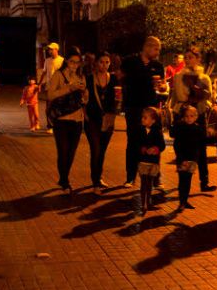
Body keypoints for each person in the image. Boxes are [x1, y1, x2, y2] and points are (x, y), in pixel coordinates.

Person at [119, 36, 167, 187]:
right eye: (156, 48)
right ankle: (131, 176)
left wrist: (163, 88)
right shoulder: (130, 62)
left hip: (151, 108)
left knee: (155, 141)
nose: (158, 52)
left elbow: (162, 86)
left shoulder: (158, 66)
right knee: (133, 141)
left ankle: (155, 177)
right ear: (147, 47)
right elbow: (119, 79)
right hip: (133, 107)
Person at [169, 46, 217, 192]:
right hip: (183, 114)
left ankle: (205, 182)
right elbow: (176, 96)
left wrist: (200, 93)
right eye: (187, 57)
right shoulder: (178, 76)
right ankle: (182, 182)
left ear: (198, 59)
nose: (189, 59)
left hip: (199, 114)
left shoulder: (204, 78)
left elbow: (209, 95)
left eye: (192, 57)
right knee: (182, 149)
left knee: (201, 149)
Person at [48, 46, 88, 194]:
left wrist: (85, 92)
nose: (74, 65)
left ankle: (64, 178)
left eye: (77, 62)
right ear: (66, 61)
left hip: (77, 120)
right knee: (63, 151)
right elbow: (51, 95)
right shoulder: (58, 75)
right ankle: (65, 181)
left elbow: (84, 100)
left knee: (71, 152)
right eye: (72, 62)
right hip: (62, 120)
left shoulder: (81, 76)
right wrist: (69, 88)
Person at [84, 52, 118, 194]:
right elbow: (84, 97)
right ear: (96, 63)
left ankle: (99, 176)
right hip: (92, 119)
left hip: (108, 119)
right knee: (95, 149)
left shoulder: (114, 79)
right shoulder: (89, 78)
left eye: (107, 62)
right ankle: (95, 182)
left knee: (102, 150)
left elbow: (117, 99)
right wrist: (85, 113)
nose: (104, 65)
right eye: (101, 62)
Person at [173, 105, 206, 212]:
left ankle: (185, 201)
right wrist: (181, 159)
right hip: (182, 159)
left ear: (196, 117)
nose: (189, 118)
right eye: (187, 116)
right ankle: (182, 202)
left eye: (192, 116)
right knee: (182, 180)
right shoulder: (180, 128)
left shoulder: (197, 128)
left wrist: (215, 137)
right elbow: (177, 145)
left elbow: (202, 142)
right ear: (183, 117)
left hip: (192, 159)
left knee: (188, 181)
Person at [136, 107, 165, 215]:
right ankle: (144, 203)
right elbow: (136, 143)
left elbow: (162, 145)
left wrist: (155, 149)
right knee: (144, 183)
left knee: (150, 183)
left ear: (153, 120)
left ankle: (148, 201)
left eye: (145, 118)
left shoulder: (157, 131)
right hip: (143, 161)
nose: (142, 119)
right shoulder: (140, 130)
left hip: (153, 162)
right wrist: (142, 148)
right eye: (142, 117)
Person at [39, 42, 64, 132]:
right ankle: (50, 126)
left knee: (59, 107)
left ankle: (59, 125)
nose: (50, 51)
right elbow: (44, 72)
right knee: (49, 108)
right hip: (49, 87)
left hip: (59, 88)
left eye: (51, 49)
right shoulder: (47, 60)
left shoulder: (62, 61)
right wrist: (39, 83)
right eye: (49, 49)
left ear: (56, 50)